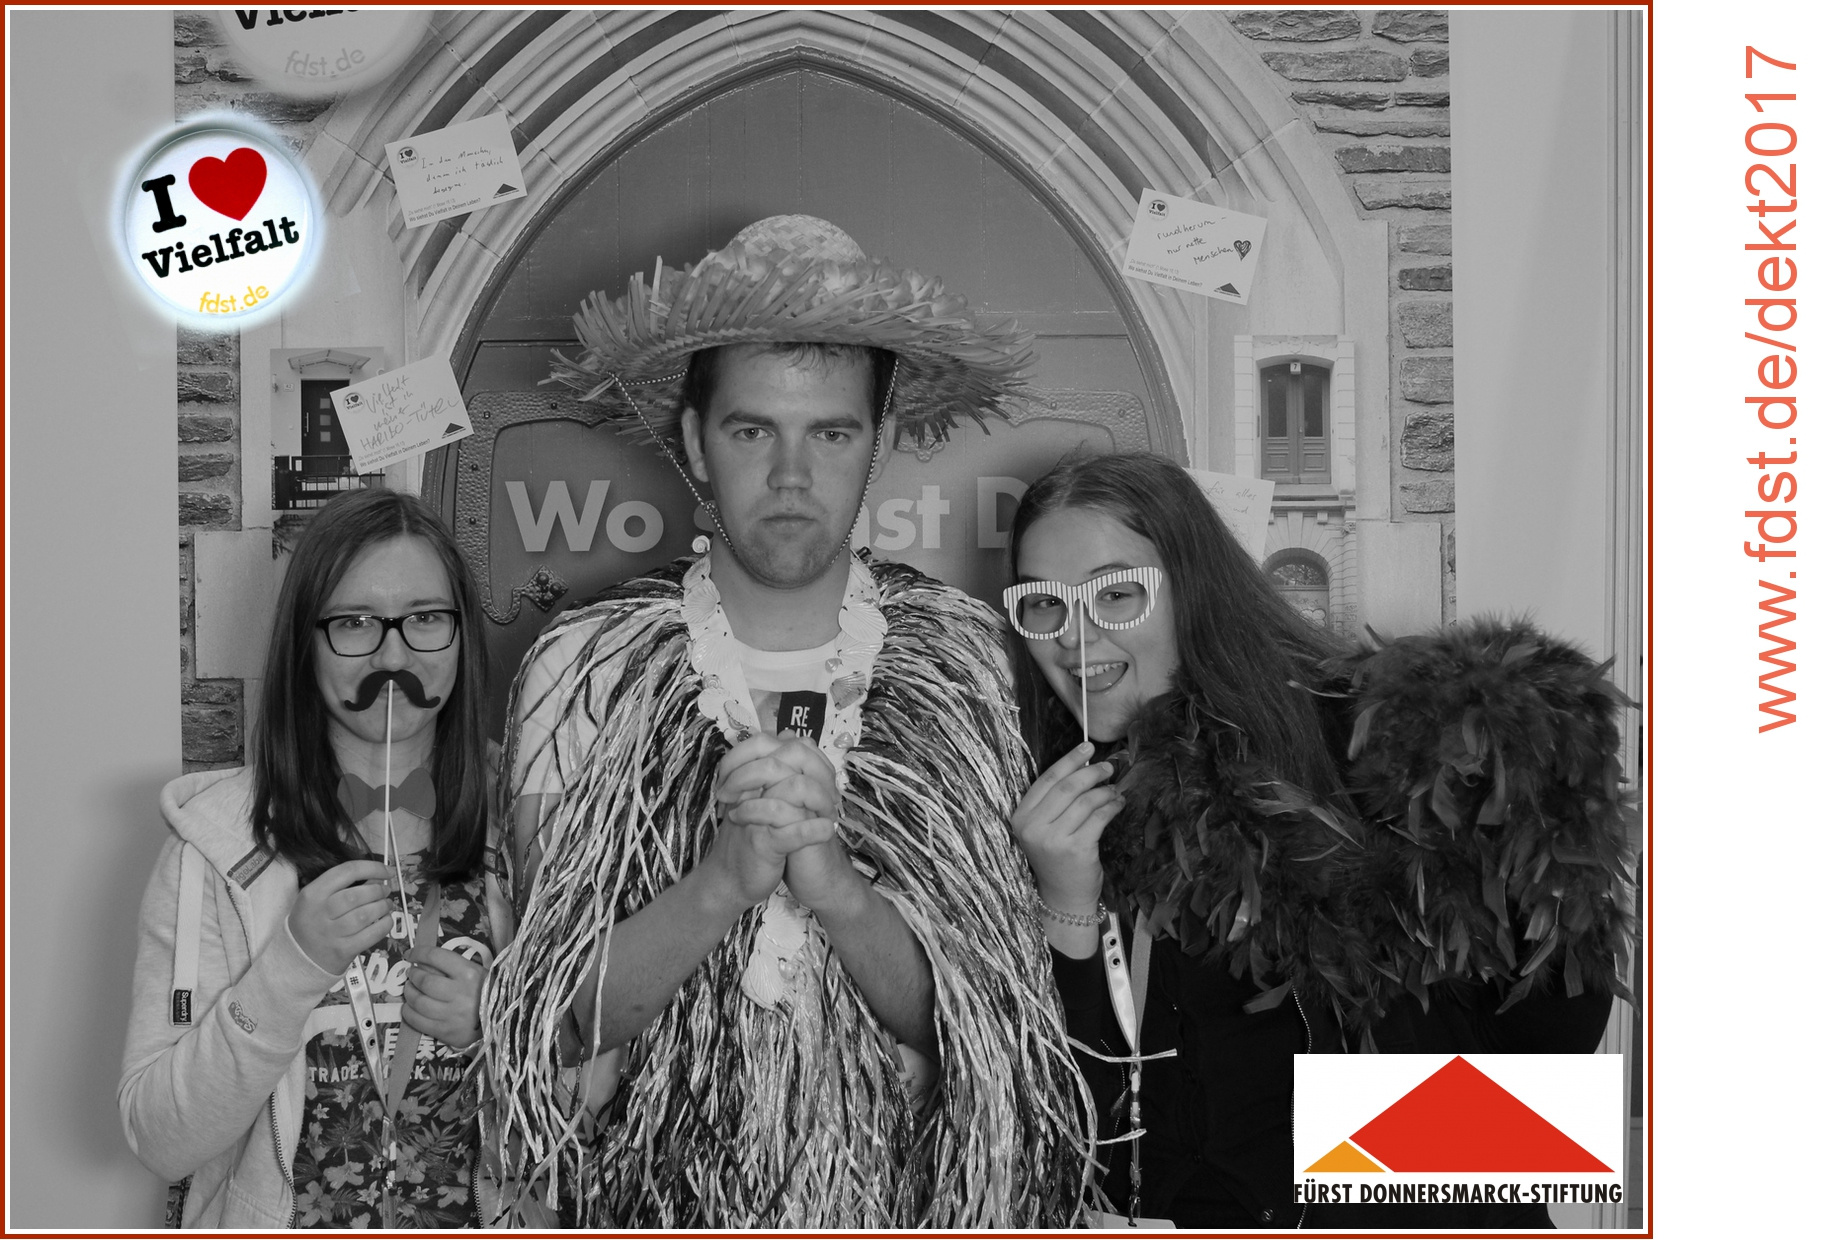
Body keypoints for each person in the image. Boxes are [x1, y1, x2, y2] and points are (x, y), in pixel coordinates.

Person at [482, 216, 1087, 1227]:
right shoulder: (583, 664)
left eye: (831, 433)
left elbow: (979, 1025)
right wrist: (725, 879)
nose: (792, 475)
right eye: (752, 431)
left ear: (878, 442)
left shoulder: (968, 661)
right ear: (693, 441)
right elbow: (559, 1018)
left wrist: (834, 886)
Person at [1004, 452, 1635, 1229]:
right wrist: (1066, 909)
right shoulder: (1045, 801)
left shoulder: (1371, 749)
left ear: (1194, 586)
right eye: (1043, 604)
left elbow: (1547, 1071)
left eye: (1117, 594)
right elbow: (1065, 1139)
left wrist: (1538, 819)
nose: (1074, 636)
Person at [119, 488, 512, 1228]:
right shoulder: (215, 848)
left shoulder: (535, 829)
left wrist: (504, 1022)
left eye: (426, 618)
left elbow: (601, 1104)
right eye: (355, 622)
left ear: (462, 636)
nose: (393, 655)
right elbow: (160, 1139)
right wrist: (291, 968)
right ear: (306, 642)